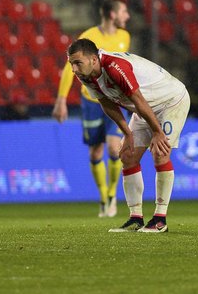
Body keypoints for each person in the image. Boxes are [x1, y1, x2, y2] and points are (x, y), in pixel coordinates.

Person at [66, 39, 190, 233]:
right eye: (71, 63)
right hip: (144, 108)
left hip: (170, 101)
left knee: (159, 152)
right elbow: (106, 103)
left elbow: (137, 98)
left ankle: (159, 219)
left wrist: (157, 132)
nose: (74, 69)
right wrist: (127, 133)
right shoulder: (86, 74)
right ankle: (135, 218)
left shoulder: (114, 67)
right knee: (127, 156)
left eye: (77, 63)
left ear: (93, 59)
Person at [52, 0, 132, 218]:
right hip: (92, 101)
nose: (127, 16)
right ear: (112, 15)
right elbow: (71, 68)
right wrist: (61, 100)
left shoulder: (125, 37)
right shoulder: (89, 37)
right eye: (124, 11)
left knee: (115, 148)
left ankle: (113, 195)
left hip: (115, 99)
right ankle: (103, 195)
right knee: (95, 151)